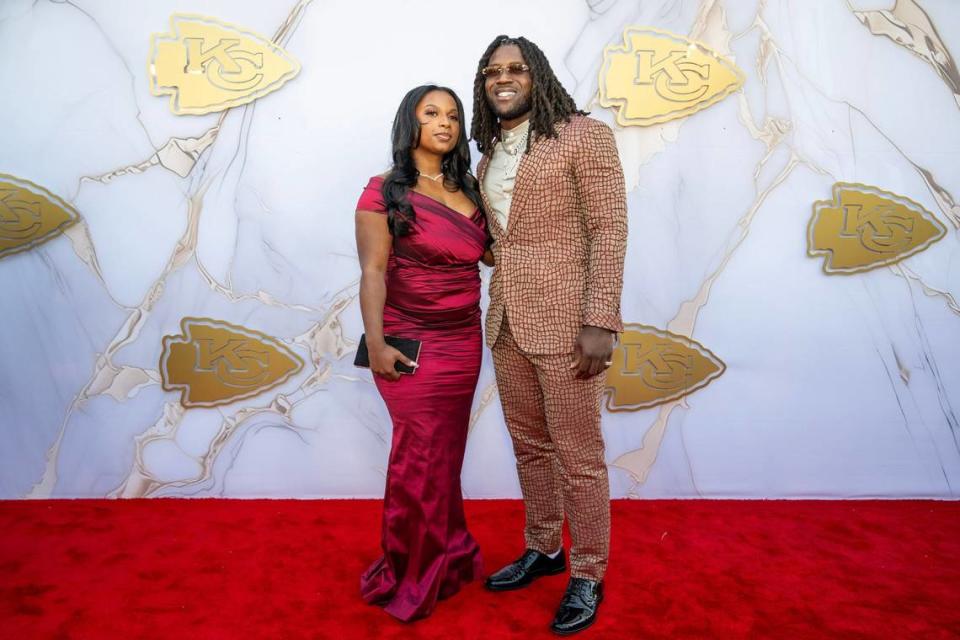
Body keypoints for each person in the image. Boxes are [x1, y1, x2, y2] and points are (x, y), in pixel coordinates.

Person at [471, 36, 628, 635]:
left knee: (579, 457)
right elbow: (501, 240)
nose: (502, 79)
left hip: (568, 325)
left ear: (537, 75)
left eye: (514, 69)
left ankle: (588, 571)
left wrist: (600, 319)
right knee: (530, 446)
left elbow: (608, 229)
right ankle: (545, 547)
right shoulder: (490, 154)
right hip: (507, 318)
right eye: (492, 72)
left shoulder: (583, 135)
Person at [355, 84, 492, 622]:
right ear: (408, 123)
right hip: (408, 341)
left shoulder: (470, 188)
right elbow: (371, 272)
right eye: (431, 113)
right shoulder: (382, 191)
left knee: (445, 458)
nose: (445, 123)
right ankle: (412, 568)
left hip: (464, 339)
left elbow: (490, 256)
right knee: (419, 459)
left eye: (453, 116)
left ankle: (451, 554)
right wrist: (377, 343)